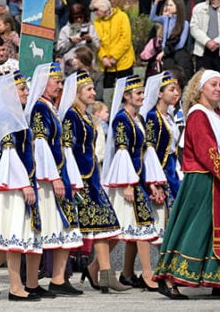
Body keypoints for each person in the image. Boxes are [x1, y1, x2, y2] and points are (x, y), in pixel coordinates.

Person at [154, 69, 220, 299]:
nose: (218, 88)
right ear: (200, 88)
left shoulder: (216, 115)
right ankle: (169, 278)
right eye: (213, 84)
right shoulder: (198, 114)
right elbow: (207, 150)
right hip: (203, 180)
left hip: (214, 180)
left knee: (211, 234)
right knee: (194, 231)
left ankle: (218, 280)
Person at [60, 71, 130, 293]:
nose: (93, 92)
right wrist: (73, 180)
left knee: (110, 228)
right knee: (100, 227)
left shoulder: (87, 116)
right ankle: (104, 274)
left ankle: (95, 269)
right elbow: (67, 148)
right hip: (80, 179)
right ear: (77, 92)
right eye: (88, 89)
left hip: (93, 178)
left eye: (93, 88)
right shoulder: (71, 115)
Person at [0, 71, 41, 301]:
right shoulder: (6, 116)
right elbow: (9, 152)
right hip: (12, 184)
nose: (26, 92)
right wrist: (24, 184)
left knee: (16, 235)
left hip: (19, 181)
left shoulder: (16, 115)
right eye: (22, 88)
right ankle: (15, 287)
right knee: (14, 235)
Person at [27, 63, 84, 296]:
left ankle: (59, 279)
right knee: (47, 228)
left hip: (59, 174)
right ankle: (33, 281)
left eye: (61, 82)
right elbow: (41, 145)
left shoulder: (51, 108)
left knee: (65, 226)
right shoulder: (39, 109)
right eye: (56, 82)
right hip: (47, 179)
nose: (60, 86)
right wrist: (54, 177)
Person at [100, 75, 161, 291]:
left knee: (132, 230)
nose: (142, 96)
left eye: (143, 93)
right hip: (127, 181)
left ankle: (113, 270)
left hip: (138, 178)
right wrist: (127, 183)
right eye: (138, 93)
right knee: (133, 228)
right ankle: (147, 273)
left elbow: (144, 153)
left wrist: (151, 182)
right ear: (126, 96)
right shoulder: (120, 119)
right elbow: (122, 150)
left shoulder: (139, 119)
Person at [142, 71, 182, 244]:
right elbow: (149, 150)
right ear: (159, 93)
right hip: (161, 171)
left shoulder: (169, 116)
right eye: (171, 90)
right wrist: (154, 180)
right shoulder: (152, 117)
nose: (175, 93)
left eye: (176, 90)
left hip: (172, 170)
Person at [91, 0, 135, 95]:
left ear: (103, 7)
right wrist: (103, 57)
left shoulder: (122, 16)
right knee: (108, 93)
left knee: (126, 93)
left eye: (96, 10)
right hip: (106, 65)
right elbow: (97, 42)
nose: (95, 13)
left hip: (123, 62)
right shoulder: (96, 22)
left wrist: (114, 57)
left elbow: (125, 40)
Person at [190, 0, 220, 77]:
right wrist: (207, 41)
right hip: (203, 52)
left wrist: (217, 41)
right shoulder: (199, 8)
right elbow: (194, 28)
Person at [150, 0, 192, 77]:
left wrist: (165, 52)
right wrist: (156, 2)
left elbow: (180, 44)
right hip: (165, 54)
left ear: (178, 7)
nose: (168, 7)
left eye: (171, 5)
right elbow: (152, 18)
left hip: (176, 54)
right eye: (167, 5)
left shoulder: (185, 23)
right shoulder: (165, 19)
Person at [56, 4, 100, 72]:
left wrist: (89, 41)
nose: (79, 20)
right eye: (76, 18)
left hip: (87, 66)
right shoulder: (65, 29)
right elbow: (60, 49)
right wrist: (71, 42)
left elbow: (97, 48)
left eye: (81, 17)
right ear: (72, 17)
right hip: (70, 66)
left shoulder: (91, 28)